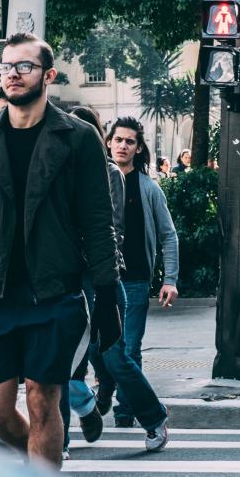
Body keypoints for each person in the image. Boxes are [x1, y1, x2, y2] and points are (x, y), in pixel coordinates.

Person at [0, 33, 121, 468]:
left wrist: (107, 296)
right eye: (6, 66)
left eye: (24, 66)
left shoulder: (77, 138)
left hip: (54, 293)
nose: (13, 74)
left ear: (48, 75)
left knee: (44, 400)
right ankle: (37, 463)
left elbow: (99, 223)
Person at [66, 107, 170, 454]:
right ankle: (62, 436)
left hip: (105, 279)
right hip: (66, 280)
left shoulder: (108, 173)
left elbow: (108, 229)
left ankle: (153, 417)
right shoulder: (61, 171)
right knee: (65, 359)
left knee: (116, 356)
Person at [101, 117, 179, 429]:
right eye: (118, 139)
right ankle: (107, 390)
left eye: (129, 141)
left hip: (134, 280)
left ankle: (124, 414)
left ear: (138, 148)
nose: (122, 145)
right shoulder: (96, 182)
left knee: (129, 348)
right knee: (102, 351)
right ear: (108, 142)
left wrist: (169, 278)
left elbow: (168, 235)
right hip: (100, 281)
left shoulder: (148, 188)